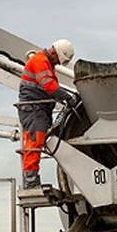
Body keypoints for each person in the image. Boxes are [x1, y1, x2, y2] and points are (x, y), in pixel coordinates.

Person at [17, 39, 79, 189]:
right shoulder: (40, 61)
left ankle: (31, 178)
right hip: (33, 109)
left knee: (35, 141)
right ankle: (30, 179)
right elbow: (49, 86)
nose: (58, 63)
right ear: (54, 53)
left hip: (38, 109)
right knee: (34, 141)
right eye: (58, 60)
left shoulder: (45, 63)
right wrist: (68, 97)